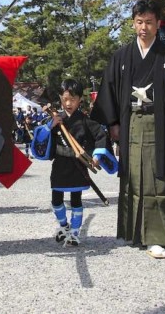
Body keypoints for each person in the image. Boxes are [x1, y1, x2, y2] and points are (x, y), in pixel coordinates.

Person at [91, 0, 165, 259]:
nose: (144, 27)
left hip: (158, 125)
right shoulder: (121, 57)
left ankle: (158, 236)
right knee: (133, 178)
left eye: (149, 22)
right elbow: (109, 91)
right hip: (130, 124)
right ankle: (135, 232)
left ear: (158, 24)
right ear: (133, 24)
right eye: (139, 22)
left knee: (157, 178)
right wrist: (114, 123)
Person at [47, 79, 108, 246]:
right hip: (60, 165)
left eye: (73, 99)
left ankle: (74, 233)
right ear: (60, 98)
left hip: (77, 166)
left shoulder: (84, 120)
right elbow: (43, 139)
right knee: (56, 200)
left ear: (80, 99)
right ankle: (64, 226)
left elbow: (101, 136)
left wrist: (96, 156)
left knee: (76, 200)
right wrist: (50, 127)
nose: (68, 103)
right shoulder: (56, 119)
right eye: (65, 99)